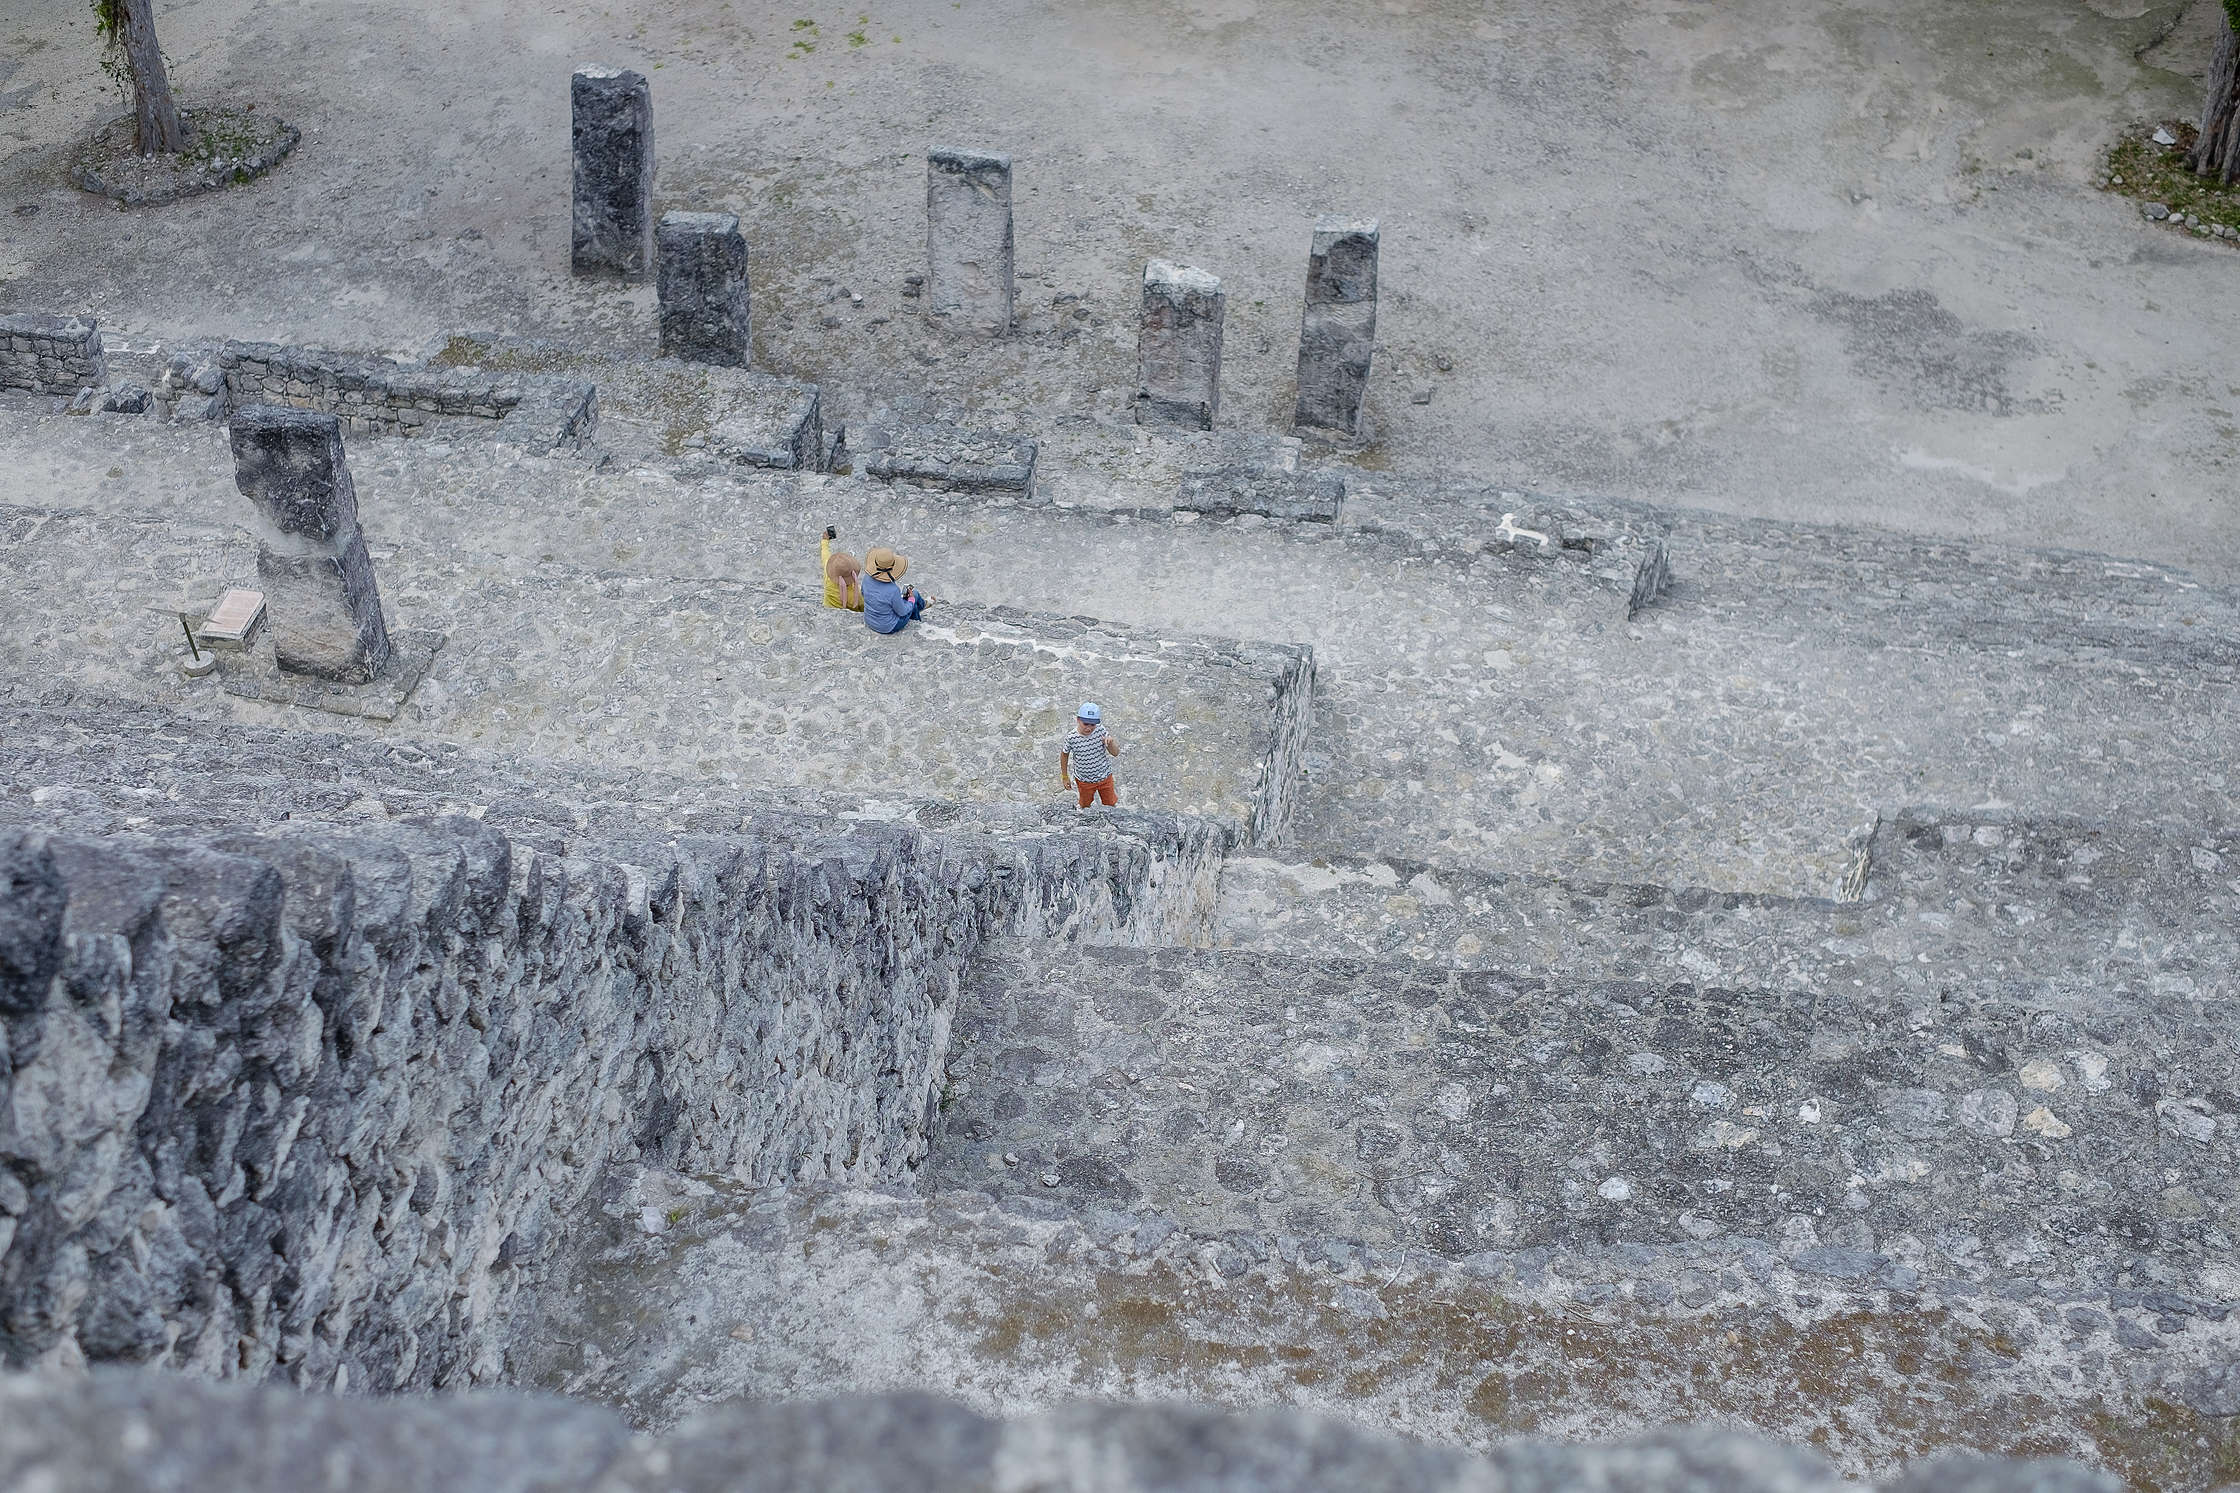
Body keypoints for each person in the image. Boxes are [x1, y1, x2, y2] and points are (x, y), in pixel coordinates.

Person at [1059, 701, 1121, 808]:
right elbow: (1064, 755)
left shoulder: (1100, 730)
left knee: (1110, 804)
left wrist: (1110, 743)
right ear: (1078, 720)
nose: (1089, 728)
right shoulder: (1071, 737)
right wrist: (1065, 777)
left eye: (1092, 724)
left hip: (1104, 777)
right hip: (1084, 780)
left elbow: (1115, 753)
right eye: (1085, 724)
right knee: (1085, 805)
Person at [862, 546, 933, 634]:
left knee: (904, 599)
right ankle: (920, 610)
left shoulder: (866, 578)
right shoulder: (893, 590)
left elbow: (864, 594)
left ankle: (920, 606)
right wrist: (911, 600)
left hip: (870, 621)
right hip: (889, 626)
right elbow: (902, 612)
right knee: (914, 594)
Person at [821, 526, 863, 612]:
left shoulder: (828, 577)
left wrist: (825, 541)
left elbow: (825, 553)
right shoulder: (856, 594)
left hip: (828, 610)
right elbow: (863, 609)